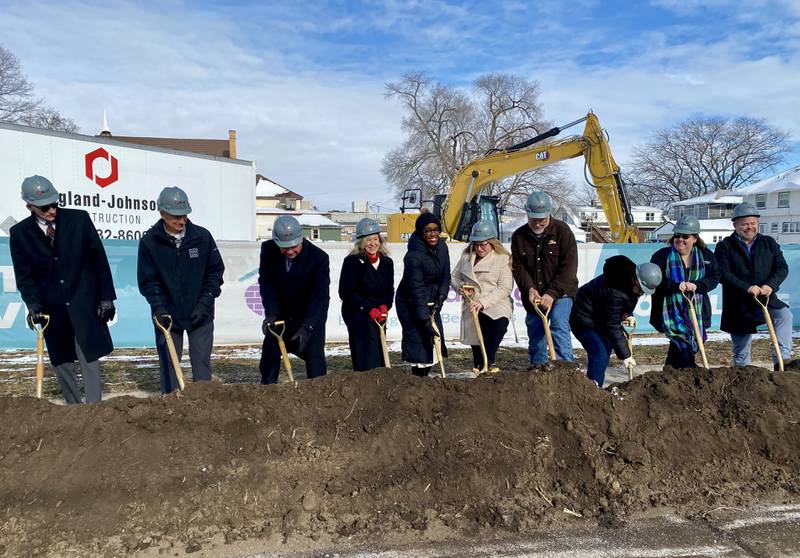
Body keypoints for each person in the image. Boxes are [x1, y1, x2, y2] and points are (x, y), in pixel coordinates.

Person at [9, 175, 116, 404]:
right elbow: (25, 277)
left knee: (89, 356)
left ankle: (95, 409)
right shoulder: (20, 234)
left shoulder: (79, 220)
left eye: (55, 203)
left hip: (84, 301)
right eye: (44, 206)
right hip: (52, 308)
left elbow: (100, 260)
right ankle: (73, 411)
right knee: (61, 361)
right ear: (29, 206)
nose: (52, 210)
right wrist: (34, 305)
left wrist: (106, 297)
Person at [137, 186, 225, 394]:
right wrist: (159, 307)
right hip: (168, 316)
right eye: (176, 217)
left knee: (202, 365)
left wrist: (205, 302)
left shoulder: (202, 237)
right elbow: (148, 281)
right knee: (169, 365)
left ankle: (204, 406)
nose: (182, 221)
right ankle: (172, 409)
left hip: (200, 314)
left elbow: (215, 273)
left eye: (184, 215)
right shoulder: (150, 242)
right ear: (162, 214)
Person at [714, 202, 793, 369]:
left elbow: (781, 267)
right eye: (744, 224)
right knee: (741, 350)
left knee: (784, 315)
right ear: (735, 225)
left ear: (758, 223)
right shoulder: (725, 246)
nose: (749, 227)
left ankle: (782, 362)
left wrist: (770, 285)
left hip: (766, 297)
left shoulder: (768, 243)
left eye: (753, 223)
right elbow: (723, 273)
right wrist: (747, 287)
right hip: (739, 303)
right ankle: (742, 376)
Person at [570, 256, 662, 387]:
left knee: (606, 348)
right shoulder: (616, 291)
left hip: (599, 318)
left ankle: (595, 385)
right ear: (635, 279)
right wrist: (626, 355)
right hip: (584, 319)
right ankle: (592, 390)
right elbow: (612, 325)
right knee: (599, 353)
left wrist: (627, 315)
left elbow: (619, 308)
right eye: (641, 289)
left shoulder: (629, 284)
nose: (641, 293)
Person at [259, 215, 330, 383]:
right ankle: (267, 392)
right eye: (284, 247)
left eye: (294, 246)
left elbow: (319, 296)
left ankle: (319, 396)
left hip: (308, 315)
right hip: (281, 315)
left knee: (315, 358)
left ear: (301, 238)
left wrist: (308, 326)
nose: (289, 251)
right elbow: (267, 284)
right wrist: (271, 314)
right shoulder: (268, 250)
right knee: (270, 353)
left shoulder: (318, 258)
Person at [511, 191, 578, 366]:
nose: (538, 223)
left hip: (561, 292)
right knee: (536, 328)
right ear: (527, 214)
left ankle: (565, 368)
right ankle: (538, 368)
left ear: (549, 213)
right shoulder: (519, 236)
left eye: (542, 219)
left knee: (558, 324)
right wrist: (530, 289)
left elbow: (568, 269)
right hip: (534, 294)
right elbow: (518, 268)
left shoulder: (563, 232)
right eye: (534, 219)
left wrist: (551, 293)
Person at [649, 215, 720, 368]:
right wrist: (675, 285)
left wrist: (698, 285)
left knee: (681, 347)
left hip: (697, 310)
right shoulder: (662, 256)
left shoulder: (706, 256)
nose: (680, 239)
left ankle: (671, 376)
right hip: (670, 311)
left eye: (685, 236)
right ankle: (686, 373)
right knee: (682, 344)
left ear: (695, 238)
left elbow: (715, 277)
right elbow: (654, 281)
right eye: (677, 236)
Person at [450, 219, 513, 374]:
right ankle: (479, 364)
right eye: (476, 244)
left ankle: (489, 360)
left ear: (492, 242)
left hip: (495, 302)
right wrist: (461, 288)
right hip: (471, 302)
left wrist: (483, 302)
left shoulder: (502, 258)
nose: (479, 248)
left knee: (499, 325)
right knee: (477, 336)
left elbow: (505, 287)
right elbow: (454, 277)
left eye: (483, 244)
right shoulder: (467, 257)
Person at [395, 212, 450, 377]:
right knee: (420, 343)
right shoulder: (413, 256)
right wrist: (425, 320)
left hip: (432, 300)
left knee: (434, 343)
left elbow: (445, 275)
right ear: (421, 232)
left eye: (436, 230)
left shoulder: (442, 247)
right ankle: (417, 381)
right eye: (428, 230)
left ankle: (424, 379)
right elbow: (417, 290)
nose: (433, 234)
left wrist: (441, 297)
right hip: (410, 303)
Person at [339, 218, 395, 371]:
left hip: (379, 313)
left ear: (380, 240)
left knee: (379, 347)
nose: (372, 243)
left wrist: (385, 306)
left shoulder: (387, 263)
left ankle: (380, 380)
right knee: (366, 351)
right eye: (368, 240)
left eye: (375, 239)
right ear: (362, 242)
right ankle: (364, 381)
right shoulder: (352, 262)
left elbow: (389, 290)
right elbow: (345, 292)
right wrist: (368, 309)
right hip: (358, 312)